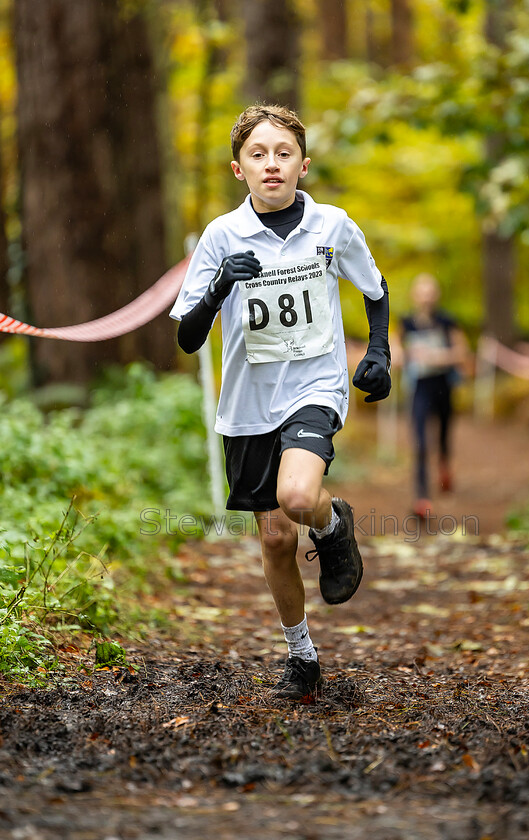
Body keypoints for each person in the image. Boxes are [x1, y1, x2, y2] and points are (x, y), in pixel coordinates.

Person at [170, 104, 391, 702]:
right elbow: (188, 336)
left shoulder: (332, 225)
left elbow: (375, 288)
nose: (272, 164)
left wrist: (379, 352)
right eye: (258, 154)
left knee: (296, 497)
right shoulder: (220, 235)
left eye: (283, 153)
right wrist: (220, 285)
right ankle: (302, 656)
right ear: (238, 169)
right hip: (247, 404)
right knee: (273, 540)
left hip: (314, 386)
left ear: (303, 164)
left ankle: (327, 519)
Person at [400, 273, 468, 519]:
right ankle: (422, 497)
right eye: (422, 293)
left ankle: (444, 465)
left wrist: (438, 357)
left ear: (436, 295)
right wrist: (406, 355)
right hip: (419, 387)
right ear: (414, 296)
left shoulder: (447, 321)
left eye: (430, 293)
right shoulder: (406, 322)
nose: (426, 298)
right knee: (419, 441)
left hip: (443, 385)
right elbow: (396, 352)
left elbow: (462, 353)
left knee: (443, 434)